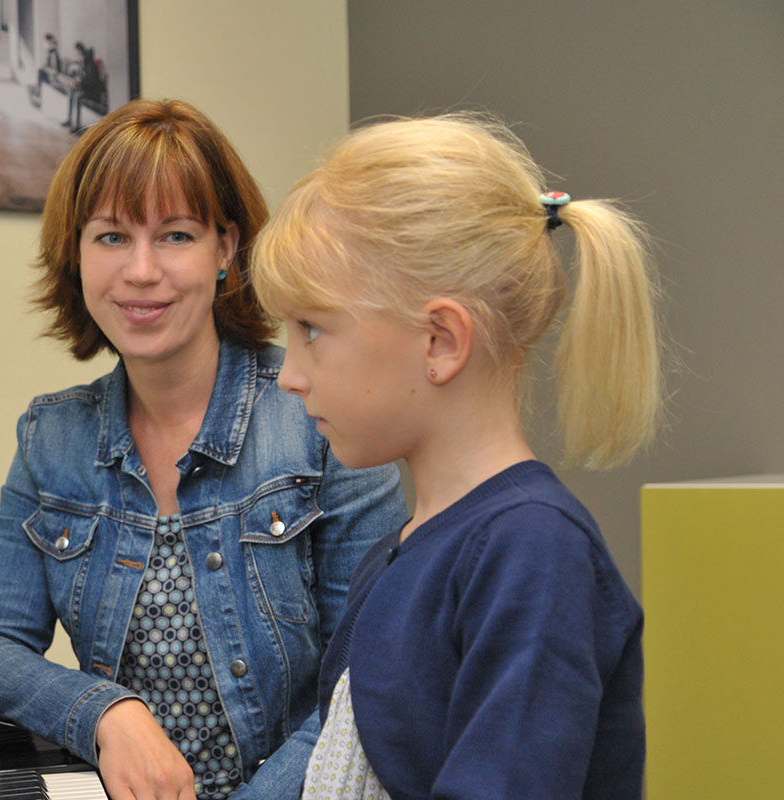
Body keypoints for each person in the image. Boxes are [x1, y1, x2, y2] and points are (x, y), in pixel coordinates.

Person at [0, 98, 406, 800]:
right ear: (76, 254)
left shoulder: (321, 419)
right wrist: (104, 713)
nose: (141, 271)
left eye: (175, 235)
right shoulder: (51, 440)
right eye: (112, 238)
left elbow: (368, 680)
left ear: (226, 248)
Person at [250, 113, 657, 798]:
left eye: (312, 329)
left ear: (441, 340)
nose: (288, 374)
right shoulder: (405, 550)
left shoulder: (534, 553)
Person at [62, 41, 104, 132]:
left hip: (92, 91)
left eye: (79, 55)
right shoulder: (86, 66)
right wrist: (78, 81)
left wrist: (81, 80)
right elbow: (84, 78)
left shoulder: (91, 66)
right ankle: (69, 120)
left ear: (83, 55)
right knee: (71, 93)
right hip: (87, 89)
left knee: (77, 97)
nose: (78, 57)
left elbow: (92, 81)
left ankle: (77, 125)